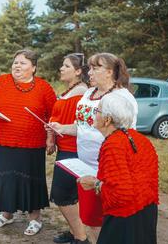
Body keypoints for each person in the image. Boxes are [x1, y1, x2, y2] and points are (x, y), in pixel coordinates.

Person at [49, 52, 138, 243]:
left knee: (108, 219)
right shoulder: (89, 93)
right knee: (90, 218)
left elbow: (128, 135)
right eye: (89, 67)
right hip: (84, 165)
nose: (90, 72)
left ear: (109, 72)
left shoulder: (123, 97)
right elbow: (81, 126)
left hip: (108, 167)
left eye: (95, 68)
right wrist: (60, 128)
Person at [0, 49, 56, 236]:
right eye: (15, 62)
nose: (17, 65)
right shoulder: (1, 81)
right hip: (5, 140)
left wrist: (51, 137)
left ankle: (35, 218)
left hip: (32, 143)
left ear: (33, 68)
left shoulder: (44, 87)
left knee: (31, 179)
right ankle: (6, 214)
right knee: (6, 178)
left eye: (23, 63)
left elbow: (53, 115)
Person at [78, 93, 159, 244]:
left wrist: (95, 184)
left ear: (107, 119)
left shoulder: (113, 145)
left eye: (97, 111)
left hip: (125, 217)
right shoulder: (140, 139)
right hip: (146, 211)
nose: (94, 114)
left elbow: (120, 194)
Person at [49, 53, 88, 243]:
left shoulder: (82, 93)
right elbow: (57, 117)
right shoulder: (68, 91)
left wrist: (58, 130)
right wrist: (51, 138)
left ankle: (81, 237)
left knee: (62, 194)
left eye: (66, 66)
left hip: (74, 150)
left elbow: (81, 126)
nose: (61, 69)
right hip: (64, 147)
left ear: (79, 71)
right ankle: (74, 232)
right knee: (67, 195)